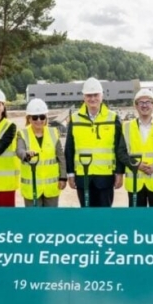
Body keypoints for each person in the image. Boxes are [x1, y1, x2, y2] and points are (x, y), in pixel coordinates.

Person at [65, 77, 124, 207]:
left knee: (104, 215)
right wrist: (70, 173)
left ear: (102, 96)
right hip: (83, 176)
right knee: (86, 215)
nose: (92, 99)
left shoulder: (113, 118)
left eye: (96, 95)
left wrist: (119, 172)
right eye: (89, 95)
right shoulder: (75, 119)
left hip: (105, 177)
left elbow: (119, 148)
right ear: (84, 97)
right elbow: (69, 149)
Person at [117, 89, 153, 207]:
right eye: (141, 102)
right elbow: (121, 152)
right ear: (136, 106)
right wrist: (137, 164)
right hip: (136, 183)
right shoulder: (126, 127)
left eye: (148, 102)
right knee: (137, 217)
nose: (144, 105)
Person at [16, 98, 66, 207]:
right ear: (29, 118)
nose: (39, 120)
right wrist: (26, 155)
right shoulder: (22, 133)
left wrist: (63, 177)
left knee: (51, 216)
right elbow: (19, 150)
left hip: (51, 186)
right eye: (35, 117)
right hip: (32, 187)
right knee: (34, 217)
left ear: (46, 118)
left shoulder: (54, 132)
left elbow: (61, 157)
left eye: (42, 117)